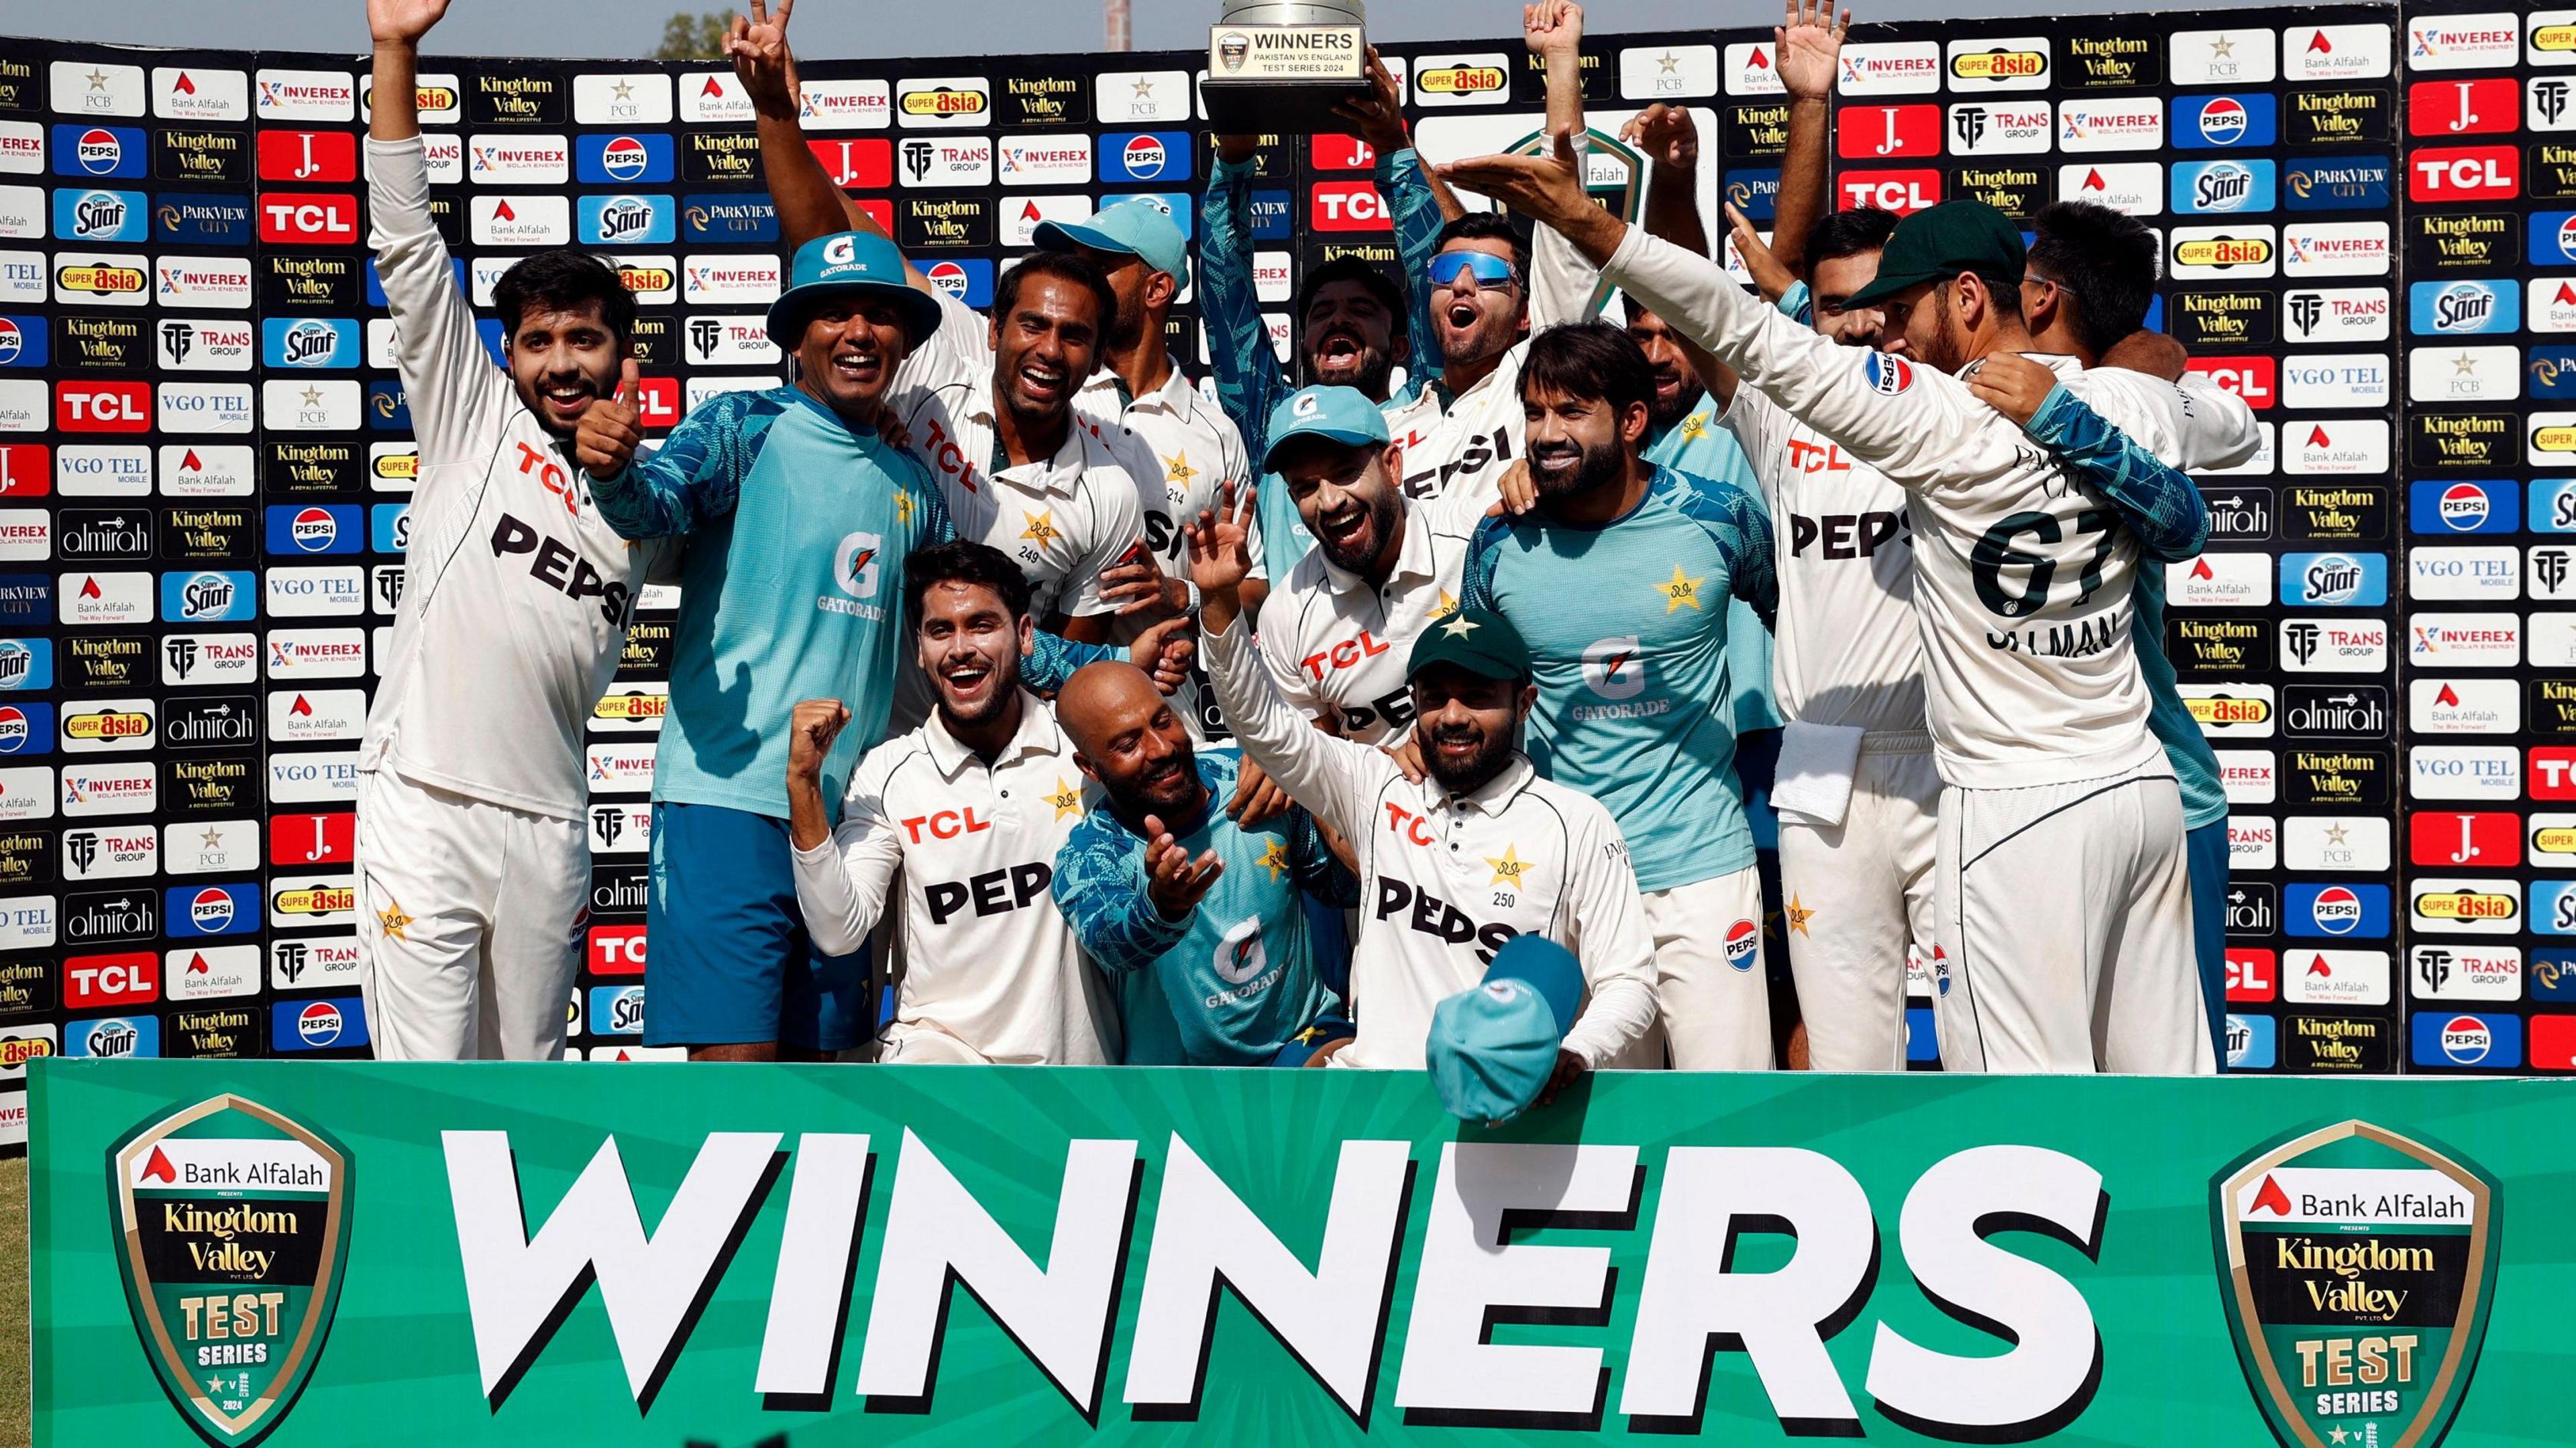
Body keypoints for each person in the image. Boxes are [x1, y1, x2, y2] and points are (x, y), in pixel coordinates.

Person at [1447, 134, 2221, 1073]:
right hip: (1842, 757)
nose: (1873, 327)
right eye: (1848, 306)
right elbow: (1725, 324)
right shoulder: (2088, 401)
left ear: (1967, 298)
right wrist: (2122, 372)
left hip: (1961, 765)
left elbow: (1745, 328)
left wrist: (1590, 224)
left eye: (1892, 308)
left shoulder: (1937, 414)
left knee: (2013, 1081)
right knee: (1861, 1058)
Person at [584, 229, 1187, 1061]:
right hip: (728, 802)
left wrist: (1117, 671)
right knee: (736, 1089)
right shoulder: (743, 424)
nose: (859, 332)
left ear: (908, 341)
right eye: (834, 314)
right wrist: (615, 471)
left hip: (852, 813)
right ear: (797, 334)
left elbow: (978, 630)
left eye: (880, 315)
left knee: (831, 1086)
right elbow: (654, 509)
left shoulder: (911, 481)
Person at [354, 0, 659, 1061]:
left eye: (586, 339)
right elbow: (404, 237)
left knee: (523, 1095)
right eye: (539, 342)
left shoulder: (654, 499)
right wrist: (396, 48)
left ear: (626, 354)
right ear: (509, 354)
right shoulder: (468, 411)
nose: (563, 363)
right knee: (422, 1095)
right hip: (424, 804)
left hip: (550, 827)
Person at [1190, 482, 1658, 1076]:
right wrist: (1220, 607)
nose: (1454, 715)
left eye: (1479, 696)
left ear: (1525, 702)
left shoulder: (1575, 823)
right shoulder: (1373, 788)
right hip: (1376, 1108)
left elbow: (1630, 981)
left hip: (1503, 1110)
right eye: (1435, 697)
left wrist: (1572, 1054)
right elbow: (1263, 726)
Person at [729, 0, 1161, 643]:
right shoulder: (945, 353)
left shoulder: (1112, 495)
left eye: (1074, 337)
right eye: (1032, 326)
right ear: (992, 329)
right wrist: (777, 116)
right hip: (873, 720)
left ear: (1097, 358)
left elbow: (1069, 671)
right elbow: (833, 242)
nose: (1048, 350)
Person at [1454, 323, 1778, 1069]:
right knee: (1602, 1131)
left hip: (1704, 869)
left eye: (1571, 411)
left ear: (1633, 420)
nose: (1546, 434)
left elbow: (1800, 616)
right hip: (1569, 882)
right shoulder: (1500, 540)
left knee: (1728, 1122)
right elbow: (1473, 684)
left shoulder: (1720, 517)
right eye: (1534, 414)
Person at [785, 543, 1118, 1064]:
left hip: (1080, 1079)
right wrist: (804, 782)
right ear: (919, 648)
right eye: (941, 630)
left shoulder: (1084, 742)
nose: (961, 647)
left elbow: (1186, 775)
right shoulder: (889, 773)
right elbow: (838, 929)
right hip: (940, 1070)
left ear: (1025, 635)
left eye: (982, 625)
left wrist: (1261, 762)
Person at [1040, 197, 1265, 741]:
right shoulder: (1047, 394)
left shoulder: (1214, 432)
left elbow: (1258, 587)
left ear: (1157, 289)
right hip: (1041, 710)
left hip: (1170, 719)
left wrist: (1181, 594)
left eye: (1097, 267)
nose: (1077, 283)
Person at [1052, 663, 1354, 1065]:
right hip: (1181, 1093)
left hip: (1305, 1044)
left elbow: (1341, 887)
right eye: (1128, 745)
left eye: (1164, 721)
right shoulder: (1089, 858)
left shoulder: (1253, 781)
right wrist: (1163, 907)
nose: (1161, 748)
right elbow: (1115, 948)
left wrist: (1307, 780)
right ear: (1089, 767)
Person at [1256, 387, 1486, 746]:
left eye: (1346, 472)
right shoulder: (1284, 616)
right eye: (1306, 488)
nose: (1330, 501)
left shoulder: (1476, 540)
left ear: (1393, 466)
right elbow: (1326, 773)